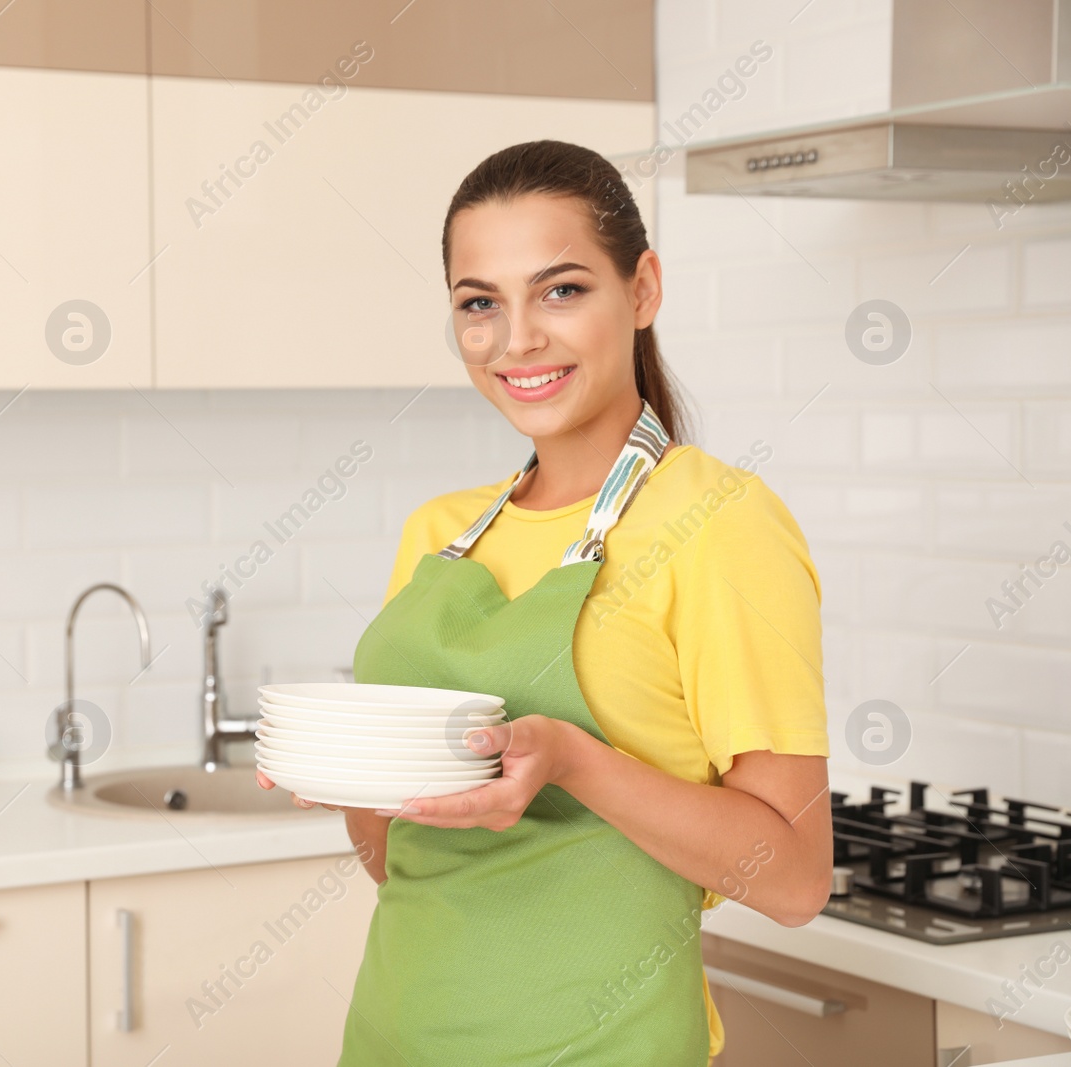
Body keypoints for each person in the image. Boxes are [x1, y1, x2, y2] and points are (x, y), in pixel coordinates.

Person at [257, 140, 833, 1066]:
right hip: (397, 1038)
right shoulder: (441, 533)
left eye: (561, 290)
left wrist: (573, 761)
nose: (517, 338)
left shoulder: (718, 522)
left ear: (642, 290)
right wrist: (350, 776)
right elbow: (399, 861)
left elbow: (797, 879)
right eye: (480, 303)